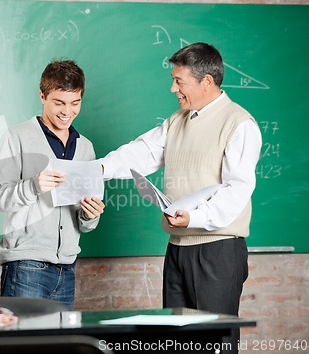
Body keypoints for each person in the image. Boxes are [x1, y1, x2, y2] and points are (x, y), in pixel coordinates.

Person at [99, 43, 262, 353]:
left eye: (179, 81)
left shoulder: (238, 124)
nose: (173, 88)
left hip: (217, 253)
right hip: (177, 249)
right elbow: (141, 152)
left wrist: (195, 218)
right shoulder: (177, 120)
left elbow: (237, 190)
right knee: (174, 342)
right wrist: (98, 169)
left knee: (214, 345)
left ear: (207, 82)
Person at [0, 59, 105, 310]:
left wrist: (90, 214)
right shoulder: (17, 136)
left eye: (75, 103)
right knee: (24, 346)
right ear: (42, 96)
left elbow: (87, 224)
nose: (67, 112)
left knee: (59, 347)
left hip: (67, 267)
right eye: (59, 103)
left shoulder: (85, 147)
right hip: (26, 265)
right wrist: (33, 186)